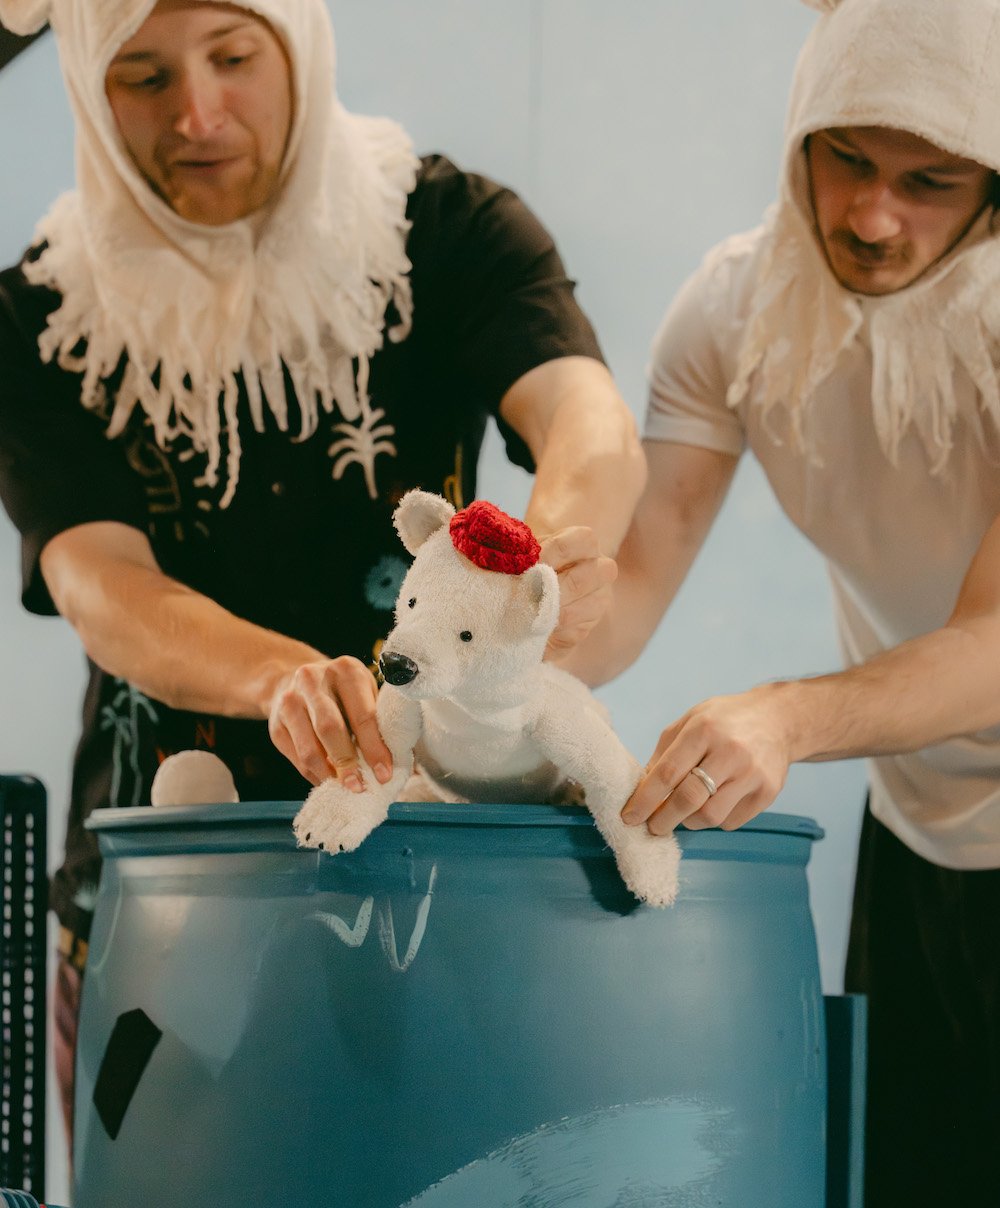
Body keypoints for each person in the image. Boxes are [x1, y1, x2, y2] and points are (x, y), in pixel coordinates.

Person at [0, 0, 644, 1147]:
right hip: (158, 882)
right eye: (140, 76)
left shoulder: (442, 226)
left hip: (439, 873)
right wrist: (284, 676)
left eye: (235, 57)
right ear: (87, 89)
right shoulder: (44, 313)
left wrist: (550, 559)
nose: (195, 114)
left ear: (301, 45)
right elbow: (101, 579)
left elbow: (583, 418)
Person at [562, 0, 1000, 1203]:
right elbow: (637, 574)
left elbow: (993, 640)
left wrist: (783, 718)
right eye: (846, 158)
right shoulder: (735, 307)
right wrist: (488, 667)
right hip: (917, 817)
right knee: (905, 1176)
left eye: (931, 180)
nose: (872, 215)